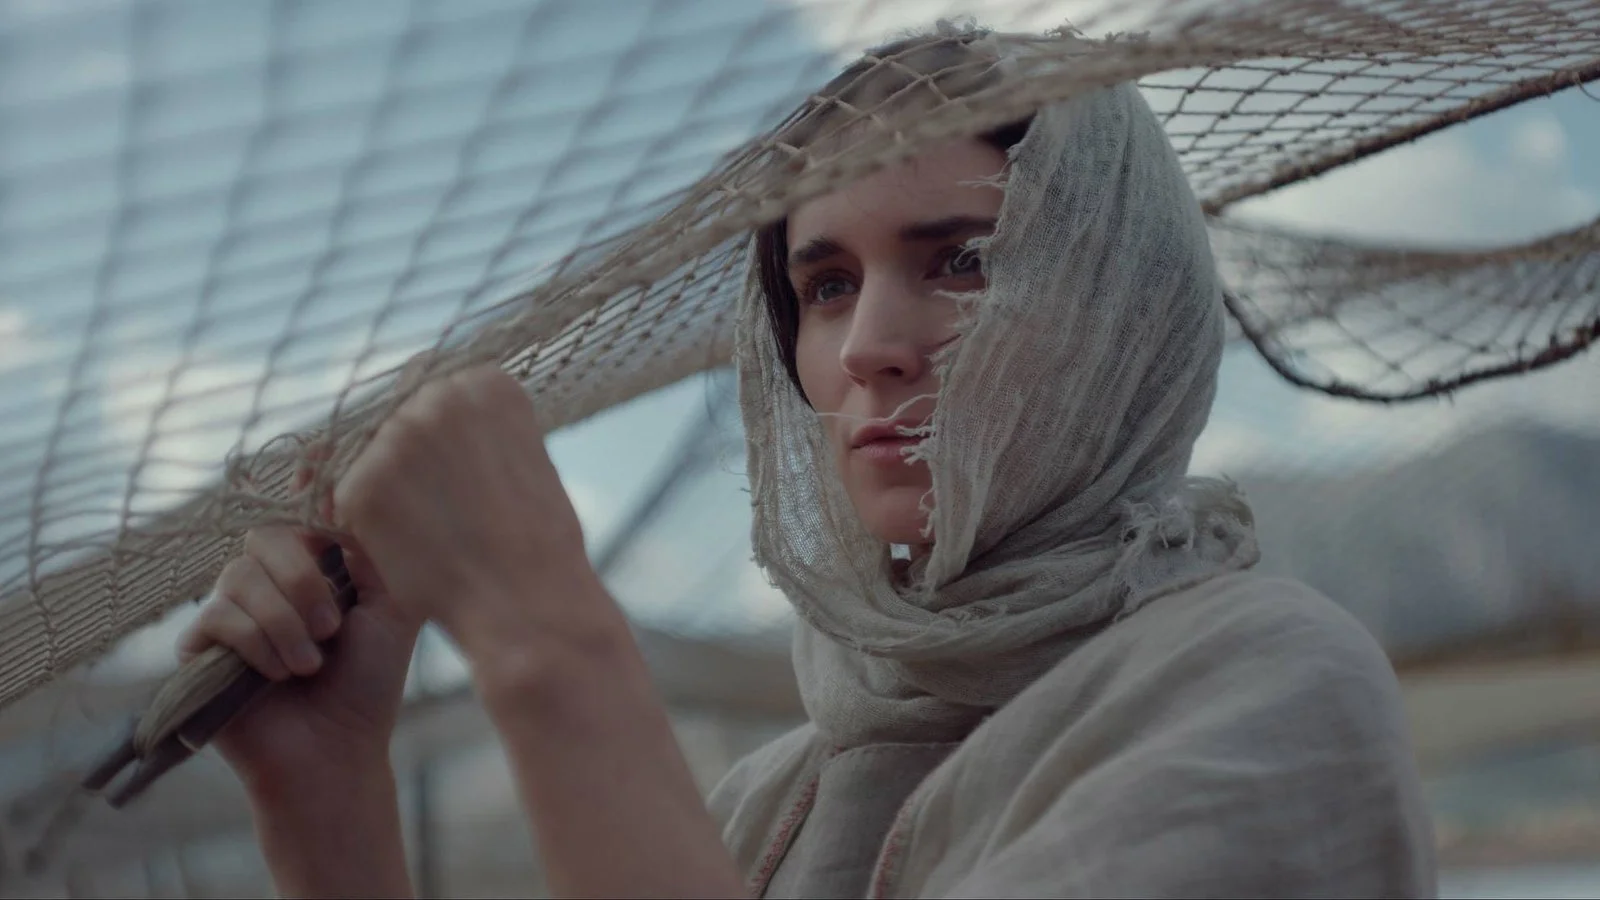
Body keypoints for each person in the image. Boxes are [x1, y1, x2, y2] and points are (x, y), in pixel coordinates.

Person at [177, 24, 1437, 899]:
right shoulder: (769, 801)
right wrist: (324, 801)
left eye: (965, 260)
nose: (869, 346)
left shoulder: (1267, 685)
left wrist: (542, 634)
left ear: (1123, 305)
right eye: (824, 285)